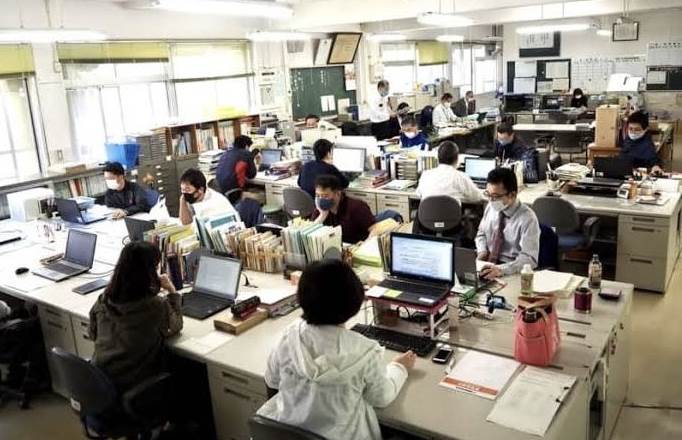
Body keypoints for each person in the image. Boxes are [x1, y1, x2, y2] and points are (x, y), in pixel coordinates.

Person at [257, 259, 416, 440]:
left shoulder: (288, 337)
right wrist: (399, 367)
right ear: (354, 301)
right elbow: (382, 397)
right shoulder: (364, 352)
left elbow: (272, 382)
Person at [89, 241, 182, 392]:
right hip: (131, 383)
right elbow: (175, 325)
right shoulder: (154, 305)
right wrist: (172, 291)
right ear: (148, 272)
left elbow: (92, 334)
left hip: (100, 379)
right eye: (155, 268)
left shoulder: (104, 299)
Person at [476, 168, 540, 280]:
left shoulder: (528, 218)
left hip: (512, 269)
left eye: (496, 196)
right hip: (488, 264)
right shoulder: (491, 208)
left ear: (512, 194)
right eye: (488, 194)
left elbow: (529, 259)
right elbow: (481, 234)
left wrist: (501, 269)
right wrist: (482, 251)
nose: (491, 200)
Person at [312, 175, 375, 244]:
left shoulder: (356, 207)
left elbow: (375, 229)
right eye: (318, 195)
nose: (321, 199)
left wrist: (366, 243)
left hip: (356, 246)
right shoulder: (320, 209)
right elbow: (311, 234)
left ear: (338, 193)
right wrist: (322, 215)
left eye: (325, 196)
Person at [417, 141, 485, 203]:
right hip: (451, 212)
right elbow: (477, 197)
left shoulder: (426, 174)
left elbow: (419, 193)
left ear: (437, 158)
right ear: (457, 159)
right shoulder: (460, 176)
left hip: (426, 212)